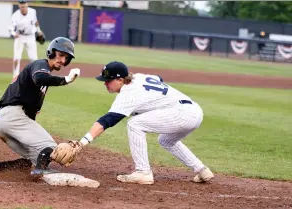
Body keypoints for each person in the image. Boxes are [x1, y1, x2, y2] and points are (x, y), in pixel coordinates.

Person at [51, 61, 214, 184]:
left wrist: (81, 143)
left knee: (135, 124)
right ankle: (201, 170)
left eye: (108, 81)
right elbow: (158, 79)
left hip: (181, 113)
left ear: (121, 79)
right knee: (166, 140)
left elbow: (108, 120)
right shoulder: (139, 77)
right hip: (194, 111)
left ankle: (143, 172)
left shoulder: (128, 93)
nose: (105, 84)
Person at [0, 37, 80, 176]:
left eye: (67, 58)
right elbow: (39, 78)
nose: (63, 61)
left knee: (39, 157)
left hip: (5, 122)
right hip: (12, 116)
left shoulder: (44, 79)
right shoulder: (40, 64)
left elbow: (31, 114)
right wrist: (66, 80)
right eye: (61, 55)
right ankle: (39, 172)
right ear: (51, 52)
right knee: (51, 148)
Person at [9, 0, 43, 79]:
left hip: (30, 36)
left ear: (27, 5)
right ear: (19, 6)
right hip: (20, 36)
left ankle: (34, 75)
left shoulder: (32, 12)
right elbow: (10, 28)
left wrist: (39, 31)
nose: (23, 8)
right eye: (21, 6)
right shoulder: (15, 15)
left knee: (33, 58)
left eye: (24, 6)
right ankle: (15, 76)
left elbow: (35, 22)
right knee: (17, 58)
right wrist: (14, 34)